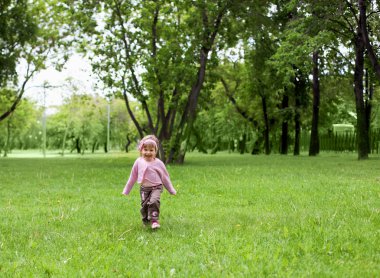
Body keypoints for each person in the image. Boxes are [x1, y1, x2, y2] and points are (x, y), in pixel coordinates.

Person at [122, 135, 177, 229]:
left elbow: (165, 177)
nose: (148, 152)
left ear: (155, 152)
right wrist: (126, 190)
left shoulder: (158, 163)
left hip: (156, 187)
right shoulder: (138, 162)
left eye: (151, 150)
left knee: (154, 201)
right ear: (141, 150)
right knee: (145, 206)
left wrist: (171, 190)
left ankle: (154, 220)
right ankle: (146, 221)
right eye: (145, 149)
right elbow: (132, 176)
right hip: (144, 189)